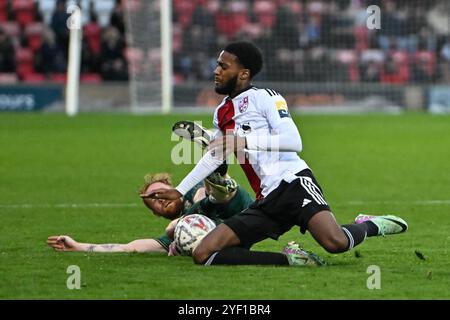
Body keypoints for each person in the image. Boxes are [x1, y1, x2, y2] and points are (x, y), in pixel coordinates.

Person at [146, 41, 408, 267]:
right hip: (266, 200)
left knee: (335, 242)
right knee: (203, 253)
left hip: (293, 183)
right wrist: (180, 191)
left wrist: (243, 140)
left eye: (223, 67)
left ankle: (372, 224)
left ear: (243, 73)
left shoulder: (267, 98)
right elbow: (216, 154)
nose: (216, 71)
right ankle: (292, 260)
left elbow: (294, 140)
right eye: (217, 65)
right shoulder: (221, 112)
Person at [47, 169, 254, 255]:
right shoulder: (176, 234)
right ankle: (219, 179)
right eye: (153, 202)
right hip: (236, 237)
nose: (159, 200)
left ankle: (220, 179)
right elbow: (130, 247)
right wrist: (78, 246)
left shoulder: (192, 189)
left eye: (159, 193)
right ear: (156, 213)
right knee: (180, 233)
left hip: (241, 209)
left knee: (210, 194)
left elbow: (199, 195)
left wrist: (180, 223)